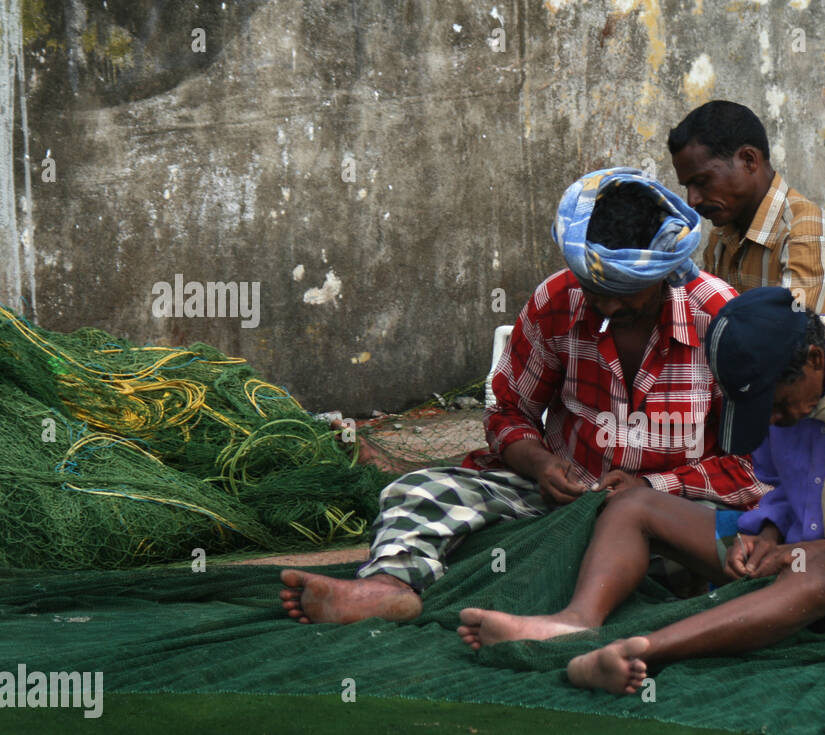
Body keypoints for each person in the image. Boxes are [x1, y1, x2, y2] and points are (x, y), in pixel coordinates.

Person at [458, 286, 825, 695]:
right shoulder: (786, 398)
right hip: (801, 548)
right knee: (632, 503)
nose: (774, 419)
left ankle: (646, 651)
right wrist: (767, 531)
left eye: (776, 404)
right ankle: (576, 623)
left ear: (815, 361)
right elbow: (783, 490)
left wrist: (814, 550)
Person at [280, 168, 767, 625]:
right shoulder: (558, 300)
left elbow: (755, 469)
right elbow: (509, 412)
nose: (607, 304)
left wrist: (654, 491)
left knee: (737, 548)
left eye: (625, 291)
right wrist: (539, 465)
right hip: (559, 499)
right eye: (595, 287)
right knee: (416, 492)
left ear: (663, 272)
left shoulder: (721, 321)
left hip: (672, 514)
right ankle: (387, 586)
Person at [668, 100, 825, 331]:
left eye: (701, 181)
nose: (692, 200)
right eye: (687, 187)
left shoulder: (809, 238)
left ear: (749, 160)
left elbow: (786, 346)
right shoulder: (721, 238)